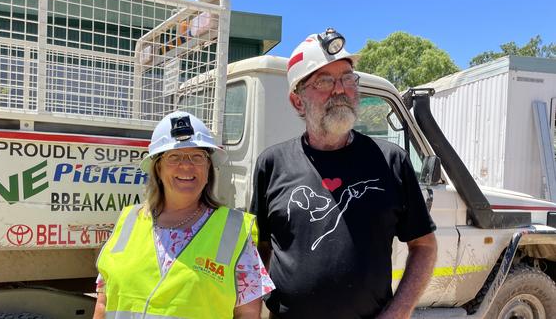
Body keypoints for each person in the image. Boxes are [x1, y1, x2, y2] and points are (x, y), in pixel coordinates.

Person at [250, 28, 438, 319]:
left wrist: (398, 313)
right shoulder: (272, 164)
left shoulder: (390, 161)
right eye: (324, 81)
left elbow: (424, 246)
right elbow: (261, 248)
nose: (340, 90)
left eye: (348, 79)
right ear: (297, 101)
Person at [94, 111, 274, 319]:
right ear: (158, 168)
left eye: (197, 156)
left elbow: (248, 314)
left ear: (208, 167)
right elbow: (103, 303)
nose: (187, 165)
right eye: (174, 157)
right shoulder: (129, 221)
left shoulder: (233, 230)